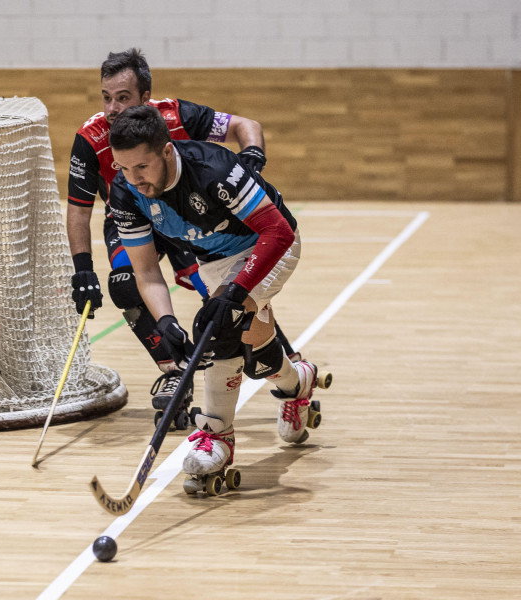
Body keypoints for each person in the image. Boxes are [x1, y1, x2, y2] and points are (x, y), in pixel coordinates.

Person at [67, 48, 300, 424]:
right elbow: (79, 208)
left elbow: (246, 125)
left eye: (123, 98)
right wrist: (82, 268)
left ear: (146, 99)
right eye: (106, 97)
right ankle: (176, 369)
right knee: (128, 283)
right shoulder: (92, 140)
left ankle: (276, 353)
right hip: (134, 216)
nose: (112, 108)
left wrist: (251, 161)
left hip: (193, 218)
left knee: (225, 313)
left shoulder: (177, 116)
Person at [108, 105, 325, 482]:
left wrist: (235, 292)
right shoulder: (126, 191)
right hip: (215, 262)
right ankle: (297, 382)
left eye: (141, 167)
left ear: (165, 150)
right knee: (257, 352)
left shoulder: (213, 169)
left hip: (268, 244)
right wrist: (165, 322)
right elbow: (145, 270)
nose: (133, 179)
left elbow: (278, 233)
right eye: (123, 168)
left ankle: (215, 436)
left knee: (217, 325)